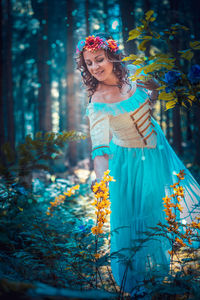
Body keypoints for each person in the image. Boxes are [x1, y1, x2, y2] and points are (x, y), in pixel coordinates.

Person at [75, 32, 200, 298]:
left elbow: (152, 91)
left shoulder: (133, 72)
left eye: (99, 59)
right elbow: (100, 150)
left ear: (111, 56)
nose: (95, 67)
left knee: (158, 209)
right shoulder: (97, 102)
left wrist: (155, 92)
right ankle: (136, 287)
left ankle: (158, 276)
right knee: (135, 218)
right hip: (129, 163)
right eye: (89, 63)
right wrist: (101, 182)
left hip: (157, 150)